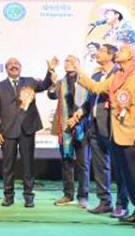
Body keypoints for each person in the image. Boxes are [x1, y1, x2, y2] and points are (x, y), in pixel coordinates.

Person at [72, 45, 135, 229]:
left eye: (121, 51)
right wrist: (79, 72)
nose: (117, 53)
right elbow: (97, 88)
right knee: (130, 179)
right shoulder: (117, 77)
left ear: (130, 56)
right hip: (120, 136)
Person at [71, 44, 130, 218]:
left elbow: (98, 89)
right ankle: (105, 202)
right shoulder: (97, 75)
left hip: (113, 127)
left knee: (119, 168)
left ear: (111, 56)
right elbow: (91, 100)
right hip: (95, 126)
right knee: (100, 166)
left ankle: (122, 204)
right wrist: (80, 113)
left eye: (102, 51)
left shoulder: (119, 75)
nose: (97, 53)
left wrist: (79, 70)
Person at [0, 56, 57, 208]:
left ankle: (29, 196)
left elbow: (45, 85)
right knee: (8, 165)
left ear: (20, 68)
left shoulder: (29, 81)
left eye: (16, 64)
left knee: (28, 164)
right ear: (6, 69)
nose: (14, 66)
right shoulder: (0, 86)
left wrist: (50, 70)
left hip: (27, 129)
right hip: (8, 130)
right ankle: (8, 196)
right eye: (10, 64)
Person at [47, 55, 91, 209]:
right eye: (66, 61)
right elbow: (52, 95)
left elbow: (89, 103)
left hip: (82, 127)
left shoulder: (85, 80)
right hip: (65, 127)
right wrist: (52, 84)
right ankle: (68, 194)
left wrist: (78, 118)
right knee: (66, 161)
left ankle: (83, 196)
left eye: (72, 61)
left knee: (83, 163)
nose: (68, 63)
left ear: (78, 64)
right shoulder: (61, 82)